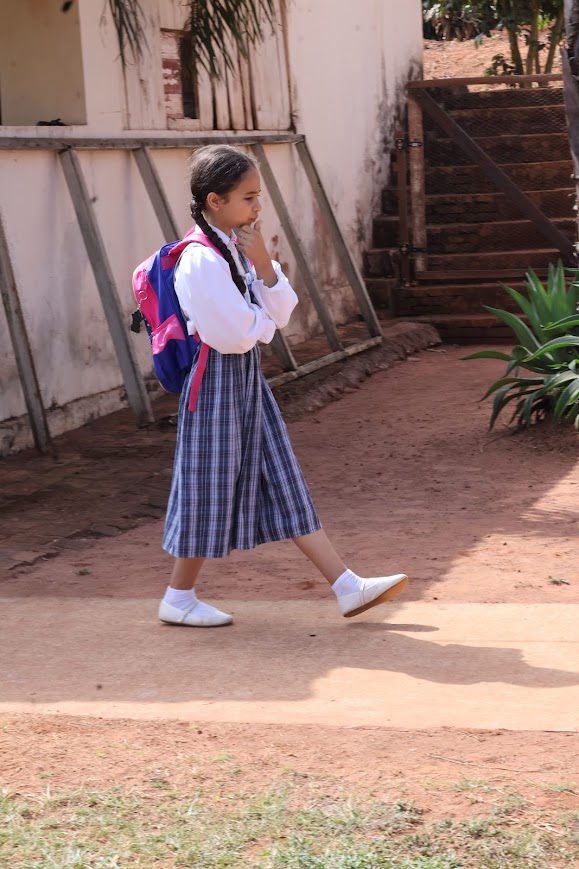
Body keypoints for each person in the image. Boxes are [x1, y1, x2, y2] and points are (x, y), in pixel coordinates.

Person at [159, 144, 408, 627]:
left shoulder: (231, 249)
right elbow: (234, 334)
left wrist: (262, 265)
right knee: (206, 488)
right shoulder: (200, 260)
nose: (258, 207)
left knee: (282, 476)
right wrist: (263, 321)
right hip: (215, 384)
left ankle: (346, 586)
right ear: (215, 201)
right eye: (248, 198)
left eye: (258, 196)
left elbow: (279, 310)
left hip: (244, 379)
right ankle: (178, 597)